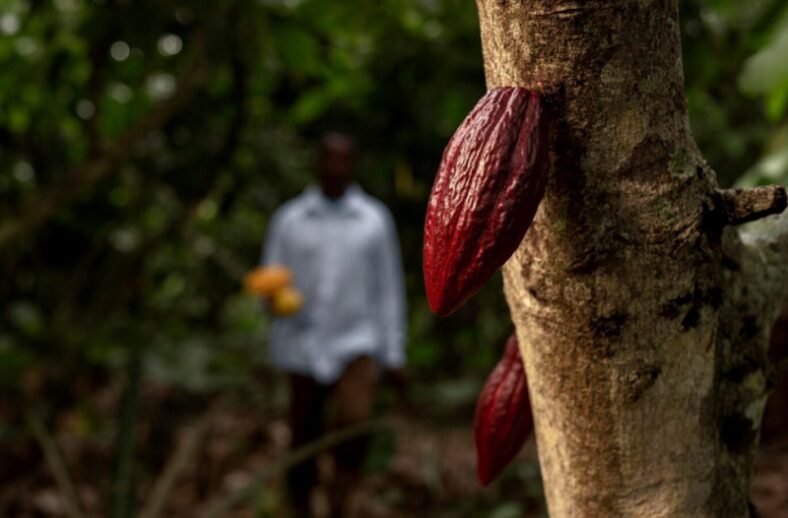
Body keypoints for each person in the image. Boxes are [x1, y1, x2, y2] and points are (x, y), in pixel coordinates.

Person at [260, 131, 406, 517]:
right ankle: (300, 504)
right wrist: (274, 301)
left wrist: (393, 352)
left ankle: (342, 502)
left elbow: (388, 288)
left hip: (356, 343)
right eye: (330, 158)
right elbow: (270, 280)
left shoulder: (374, 220)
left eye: (345, 160)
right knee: (303, 434)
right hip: (301, 344)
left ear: (354, 164)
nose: (336, 167)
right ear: (318, 162)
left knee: (352, 430)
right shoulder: (290, 220)